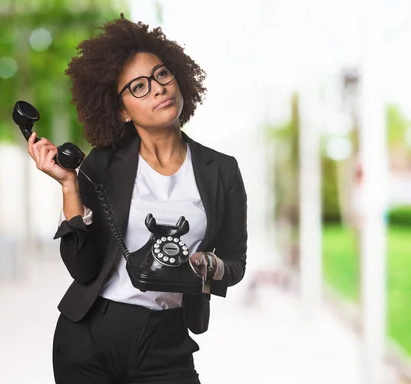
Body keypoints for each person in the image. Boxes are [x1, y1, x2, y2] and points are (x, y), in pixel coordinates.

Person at [27, 15, 247, 384]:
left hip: (166, 338)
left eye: (162, 75)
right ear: (121, 111)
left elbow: (236, 262)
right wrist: (69, 186)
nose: (158, 89)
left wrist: (212, 266)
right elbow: (83, 268)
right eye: (139, 87)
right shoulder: (103, 164)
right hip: (90, 334)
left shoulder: (222, 170)